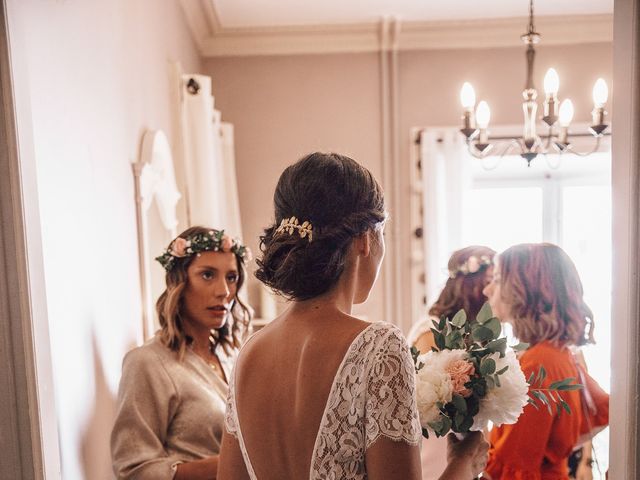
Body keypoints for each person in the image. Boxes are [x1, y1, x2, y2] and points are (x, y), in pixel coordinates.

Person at [217, 152, 489, 480]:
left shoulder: (250, 353)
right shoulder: (378, 345)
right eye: (383, 233)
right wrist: (463, 459)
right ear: (364, 239)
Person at [111, 226, 253, 480]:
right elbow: (134, 470)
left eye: (231, 277)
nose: (223, 291)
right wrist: (232, 464)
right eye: (208, 275)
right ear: (179, 282)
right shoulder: (147, 363)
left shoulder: (232, 358)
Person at [482, 243, 609, 480]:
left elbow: (514, 469)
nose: (487, 290)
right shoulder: (557, 354)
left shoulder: (539, 363)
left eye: (497, 280)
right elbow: (601, 411)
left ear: (525, 290)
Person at [407, 245, 495, 480]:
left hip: (464, 452)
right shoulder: (430, 331)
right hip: (437, 446)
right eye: (488, 281)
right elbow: (435, 405)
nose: (491, 290)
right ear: (467, 285)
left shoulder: (477, 335)